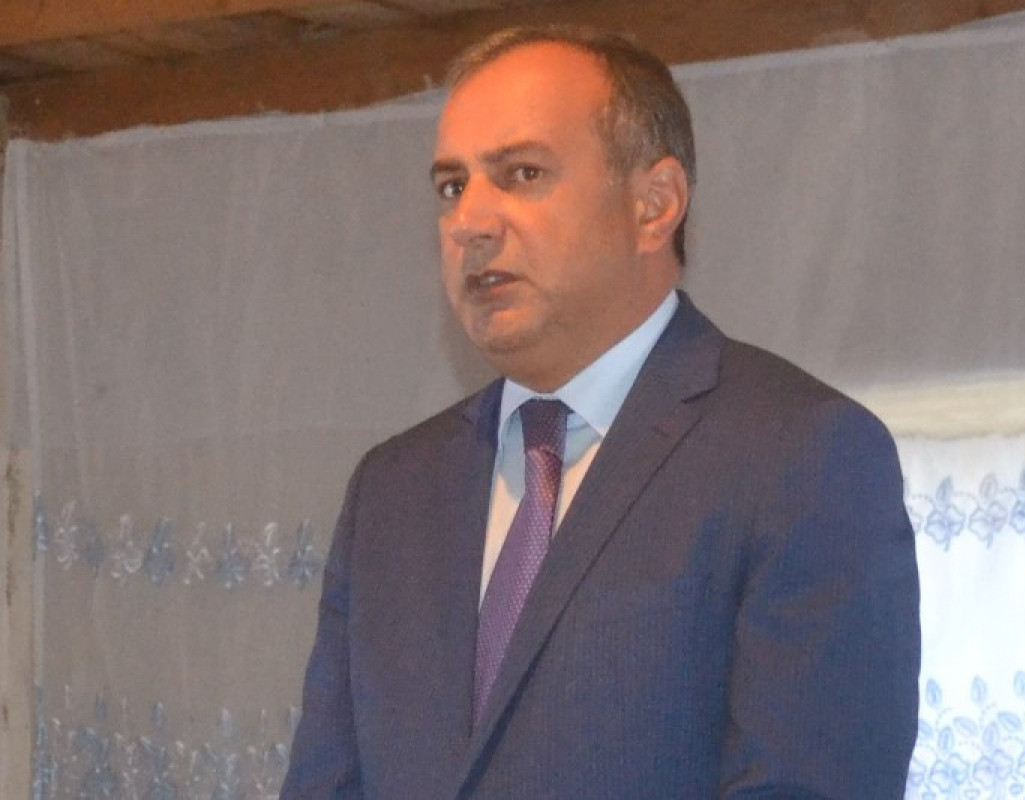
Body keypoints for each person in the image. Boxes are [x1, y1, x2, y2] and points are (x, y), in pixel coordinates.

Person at [281, 25, 920, 800]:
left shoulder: (800, 455)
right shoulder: (391, 491)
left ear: (654, 205)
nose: (470, 222)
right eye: (452, 187)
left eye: (522, 173)